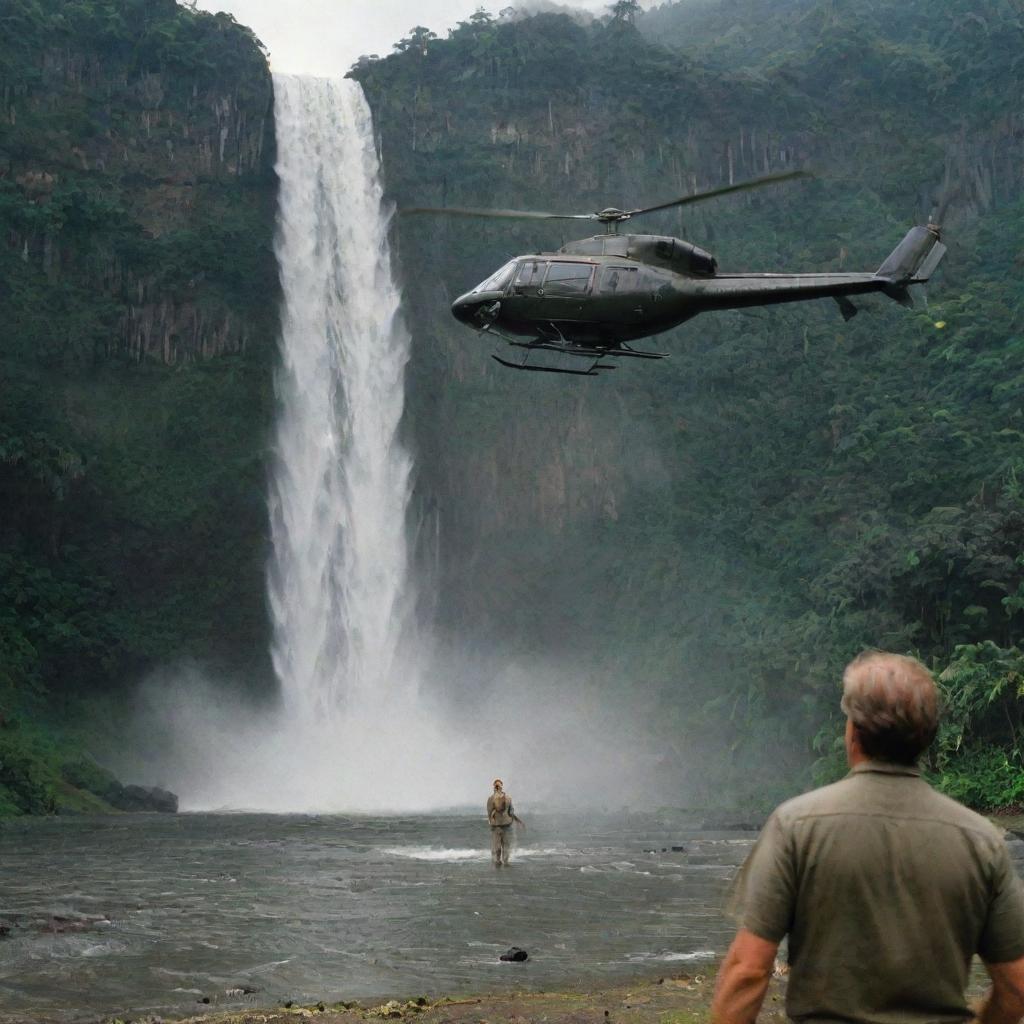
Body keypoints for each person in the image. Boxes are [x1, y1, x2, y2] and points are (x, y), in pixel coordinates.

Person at [712, 651, 1024, 1024]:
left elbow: (748, 969)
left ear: (854, 731)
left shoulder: (797, 825)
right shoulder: (980, 840)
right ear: (926, 737)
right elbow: (1017, 986)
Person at [486, 779, 523, 867]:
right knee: (497, 847)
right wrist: (491, 823)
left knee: (506, 845)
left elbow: (511, 812)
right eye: (496, 785)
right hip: (496, 826)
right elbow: (489, 813)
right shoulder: (491, 799)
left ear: (502, 786)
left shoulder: (508, 798)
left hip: (507, 825)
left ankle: (505, 862)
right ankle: (498, 861)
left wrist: (518, 821)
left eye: (499, 785)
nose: (497, 787)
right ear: (494, 787)